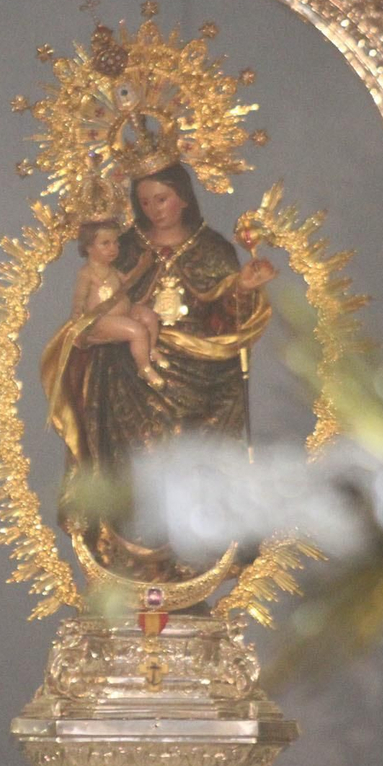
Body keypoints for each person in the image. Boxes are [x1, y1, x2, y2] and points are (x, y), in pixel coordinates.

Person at [42, 163, 276, 582]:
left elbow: (227, 318)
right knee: (135, 463)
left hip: (199, 379)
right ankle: (131, 562)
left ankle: (191, 557)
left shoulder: (212, 250)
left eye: (162, 199)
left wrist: (242, 287)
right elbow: (93, 309)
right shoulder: (122, 248)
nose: (154, 209)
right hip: (128, 378)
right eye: (145, 201)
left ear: (183, 196)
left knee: (190, 464)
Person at [72, 220, 169, 390]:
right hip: (101, 320)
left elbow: (128, 282)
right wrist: (77, 315)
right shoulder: (87, 273)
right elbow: (79, 298)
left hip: (124, 313)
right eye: (105, 243)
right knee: (137, 330)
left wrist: (142, 266)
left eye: (116, 243)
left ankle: (150, 349)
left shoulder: (113, 270)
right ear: (89, 248)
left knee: (149, 317)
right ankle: (144, 368)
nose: (113, 248)